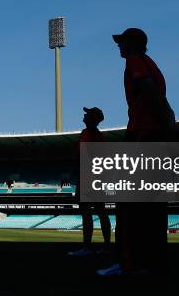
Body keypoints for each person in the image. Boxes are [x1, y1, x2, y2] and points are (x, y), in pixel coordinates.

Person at [98, 28, 173, 276]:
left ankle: (129, 263)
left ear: (134, 43)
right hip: (153, 135)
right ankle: (150, 263)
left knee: (129, 205)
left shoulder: (135, 60)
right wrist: (168, 125)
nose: (119, 46)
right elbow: (159, 98)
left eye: (123, 42)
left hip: (143, 134)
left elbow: (149, 90)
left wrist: (163, 124)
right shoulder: (151, 63)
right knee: (151, 206)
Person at [68, 107, 112, 256]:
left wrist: (73, 174)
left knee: (87, 213)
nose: (84, 115)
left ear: (92, 118)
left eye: (87, 113)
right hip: (97, 179)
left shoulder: (88, 135)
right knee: (101, 212)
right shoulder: (98, 136)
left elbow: (80, 157)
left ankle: (87, 247)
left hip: (89, 178)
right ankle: (106, 247)